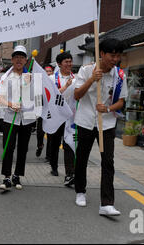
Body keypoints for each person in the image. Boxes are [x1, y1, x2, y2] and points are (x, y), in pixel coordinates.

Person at [73, 38, 128, 216]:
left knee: (108, 161)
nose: (115, 59)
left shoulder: (120, 76)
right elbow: (76, 95)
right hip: (86, 121)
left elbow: (121, 101)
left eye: (118, 56)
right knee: (82, 158)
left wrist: (108, 108)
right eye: (112, 55)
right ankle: (80, 191)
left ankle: (106, 203)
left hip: (107, 123)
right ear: (102, 54)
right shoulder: (86, 70)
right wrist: (91, 80)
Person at [0, 45, 35, 191]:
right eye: (16, 57)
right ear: (12, 59)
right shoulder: (5, 77)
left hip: (27, 118)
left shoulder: (31, 77)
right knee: (8, 147)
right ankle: (6, 176)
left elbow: (37, 98)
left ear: (26, 60)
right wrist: (11, 104)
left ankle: (17, 175)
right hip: (9, 118)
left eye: (22, 57)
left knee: (23, 148)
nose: (19, 60)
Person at [48, 52, 76, 187]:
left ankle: (69, 174)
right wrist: (65, 87)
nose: (69, 64)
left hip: (71, 117)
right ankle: (54, 165)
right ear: (59, 64)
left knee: (69, 143)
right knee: (54, 142)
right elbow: (51, 97)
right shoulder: (52, 78)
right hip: (57, 115)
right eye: (66, 62)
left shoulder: (76, 78)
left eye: (70, 61)